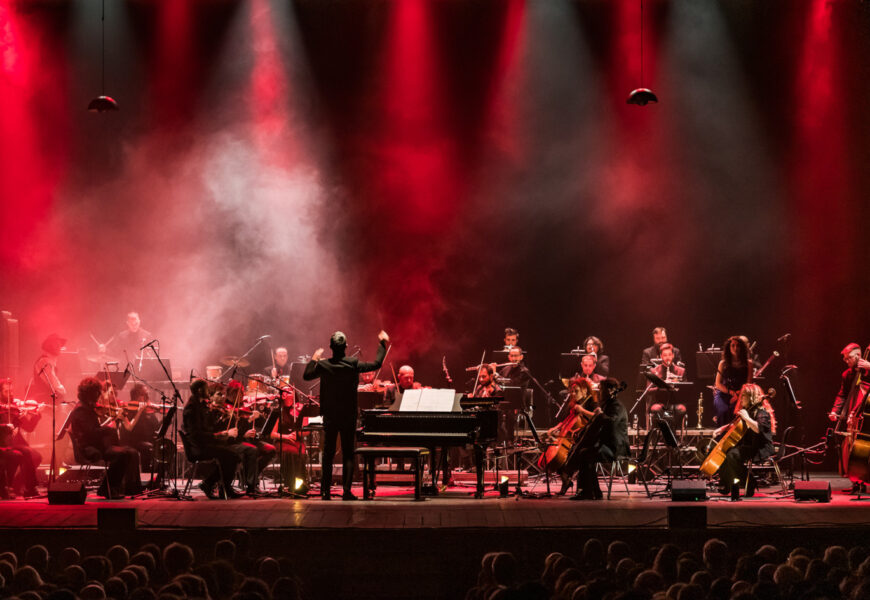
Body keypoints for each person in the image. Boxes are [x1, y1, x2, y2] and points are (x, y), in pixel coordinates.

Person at [303, 330, 389, 501]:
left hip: (330, 415)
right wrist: (382, 343)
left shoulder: (324, 365)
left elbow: (306, 375)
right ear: (346, 347)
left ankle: (326, 492)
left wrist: (314, 358)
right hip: (348, 415)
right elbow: (377, 363)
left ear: (331, 348)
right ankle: (347, 492)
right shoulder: (353, 363)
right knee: (349, 453)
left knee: (328, 453)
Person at [68, 377, 144, 498]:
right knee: (124, 454)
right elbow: (91, 433)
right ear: (90, 393)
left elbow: (94, 430)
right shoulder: (81, 410)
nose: (99, 394)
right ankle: (108, 489)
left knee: (131, 452)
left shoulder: (87, 408)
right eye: (97, 392)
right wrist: (109, 429)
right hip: (89, 448)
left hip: (96, 444)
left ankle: (126, 488)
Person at [563, 378, 629, 500]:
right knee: (586, 453)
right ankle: (594, 492)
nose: (598, 393)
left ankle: (587, 492)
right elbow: (599, 423)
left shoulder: (616, 406)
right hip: (607, 444)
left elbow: (611, 423)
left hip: (616, 447)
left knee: (585, 454)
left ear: (609, 391)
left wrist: (600, 415)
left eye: (601, 390)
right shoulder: (607, 405)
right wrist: (583, 429)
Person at [182, 379, 243, 499]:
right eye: (206, 388)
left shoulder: (200, 405)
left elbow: (208, 428)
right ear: (200, 390)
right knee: (232, 456)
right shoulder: (192, 409)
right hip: (198, 447)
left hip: (204, 444)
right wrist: (224, 434)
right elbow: (198, 435)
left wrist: (222, 419)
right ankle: (215, 485)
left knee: (233, 455)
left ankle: (216, 486)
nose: (208, 391)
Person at [712, 383, 775, 497]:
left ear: (751, 397)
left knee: (732, 455)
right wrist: (722, 429)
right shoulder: (748, 410)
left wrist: (746, 418)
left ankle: (750, 482)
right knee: (725, 451)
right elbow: (736, 424)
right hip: (750, 445)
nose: (741, 398)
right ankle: (727, 483)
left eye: (744, 396)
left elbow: (758, 429)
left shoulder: (761, 412)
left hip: (760, 447)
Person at [828, 343, 870, 493]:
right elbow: (843, 395)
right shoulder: (847, 374)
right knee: (850, 448)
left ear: (858, 356)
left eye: (848, 358)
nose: (846, 361)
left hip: (865, 418)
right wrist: (835, 411)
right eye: (845, 359)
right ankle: (856, 481)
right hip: (853, 418)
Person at [0, 379, 42, 497]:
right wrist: (6, 426)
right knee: (26, 453)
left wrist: (37, 416)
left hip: (15, 442)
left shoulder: (15, 408)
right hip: (3, 443)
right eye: (6, 392)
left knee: (36, 456)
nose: (11, 394)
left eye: (11, 391)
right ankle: (29, 488)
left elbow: (29, 428)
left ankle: (19, 486)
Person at [269, 391, 308, 492]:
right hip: (282, 440)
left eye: (290, 392)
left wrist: (298, 433)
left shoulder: (299, 409)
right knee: (290, 452)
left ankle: (301, 482)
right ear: (282, 396)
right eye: (285, 392)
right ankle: (290, 483)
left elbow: (307, 431)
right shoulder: (279, 412)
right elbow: (272, 434)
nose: (287, 394)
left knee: (300, 451)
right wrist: (286, 436)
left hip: (296, 440)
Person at [712, 336, 753, 427]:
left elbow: (749, 384)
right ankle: (722, 439)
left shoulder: (749, 363)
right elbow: (718, 384)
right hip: (724, 393)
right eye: (733, 345)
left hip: (742, 394)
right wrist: (731, 392)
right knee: (723, 411)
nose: (735, 348)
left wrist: (738, 394)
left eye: (738, 346)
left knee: (737, 412)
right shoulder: (723, 363)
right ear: (728, 348)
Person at [120, 384, 161, 471]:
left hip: (146, 439)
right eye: (144, 395)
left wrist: (164, 420)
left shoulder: (146, 409)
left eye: (147, 395)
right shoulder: (129, 409)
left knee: (163, 446)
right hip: (133, 441)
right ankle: (147, 474)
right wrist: (140, 411)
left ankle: (158, 476)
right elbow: (128, 430)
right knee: (147, 447)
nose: (147, 397)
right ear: (137, 396)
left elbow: (156, 427)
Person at [648, 344, 687, 427]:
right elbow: (648, 391)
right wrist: (661, 386)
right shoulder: (654, 371)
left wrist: (676, 384)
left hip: (676, 402)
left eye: (669, 355)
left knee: (681, 409)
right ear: (661, 356)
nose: (667, 357)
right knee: (656, 409)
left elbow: (685, 389)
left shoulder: (681, 371)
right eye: (665, 355)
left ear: (673, 355)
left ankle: (668, 433)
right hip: (659, 402)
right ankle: (668, 433)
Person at [32, 334, 67, 404]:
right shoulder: (45, 362)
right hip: (45, 401)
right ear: (50, 346)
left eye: (60, 345)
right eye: (57, 345)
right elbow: (53, 384)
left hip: (49, 400)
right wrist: (63, 392)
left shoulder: (50, 361)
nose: (59, 347)